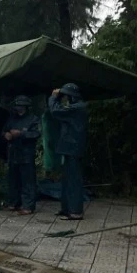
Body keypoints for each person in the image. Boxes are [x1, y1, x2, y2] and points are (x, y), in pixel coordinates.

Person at [49, 83, 88, 221]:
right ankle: (67, 209)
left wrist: (54, 98)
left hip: (73, 148)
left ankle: (75, 211)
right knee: (67, 180)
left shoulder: (78, 108)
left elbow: (55, 111)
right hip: (70, 147)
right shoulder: (77, 107)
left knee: (73, 181)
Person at [3, 95, 41, 215]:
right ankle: (14, 203)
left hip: (26, 154)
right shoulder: (12, 118)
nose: (18, 107)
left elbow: (36, 134)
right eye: (17, 105)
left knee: (27, 181)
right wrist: (6, 135)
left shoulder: (33, 119)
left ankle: (28, 206)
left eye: (20, 105)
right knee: (13, 180)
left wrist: (21, 134)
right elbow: (4, 130)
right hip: (13, 153)